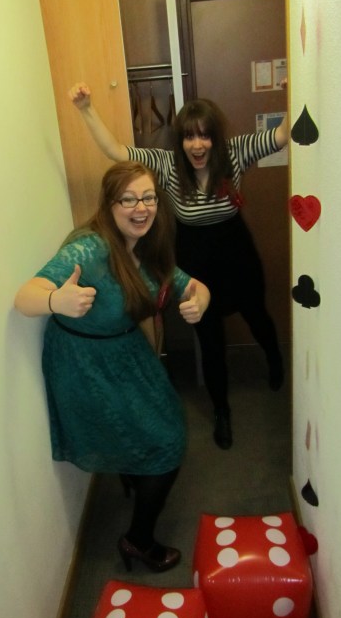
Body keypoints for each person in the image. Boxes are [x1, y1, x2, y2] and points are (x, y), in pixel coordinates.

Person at [69, 82, 289, 450]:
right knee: (210, 338)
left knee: (257, 316)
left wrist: (296, 90)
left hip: (236, 253)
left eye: (204, 136)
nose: (197, 145)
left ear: (215, 138)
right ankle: (221, 411)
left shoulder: (235, 153)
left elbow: (282, 135)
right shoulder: (168, 164)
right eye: (189, 136)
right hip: (193, 257)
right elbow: (115, 151)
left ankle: (275, 358)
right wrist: (86, 109)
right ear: (181, 140)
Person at [14, 161, 210, 572]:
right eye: (128, 199)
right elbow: (25, 297)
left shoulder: (148, 245)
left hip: (125, 349)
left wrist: (199, 301)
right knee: (166, 440)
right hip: (85, 360)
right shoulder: (90, 249)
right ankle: (138, 541)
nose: (141, 208)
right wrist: (55, 300)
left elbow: (193, 285)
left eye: (148, 198)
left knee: (163, 423)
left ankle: (135, 474)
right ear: (109, 204)